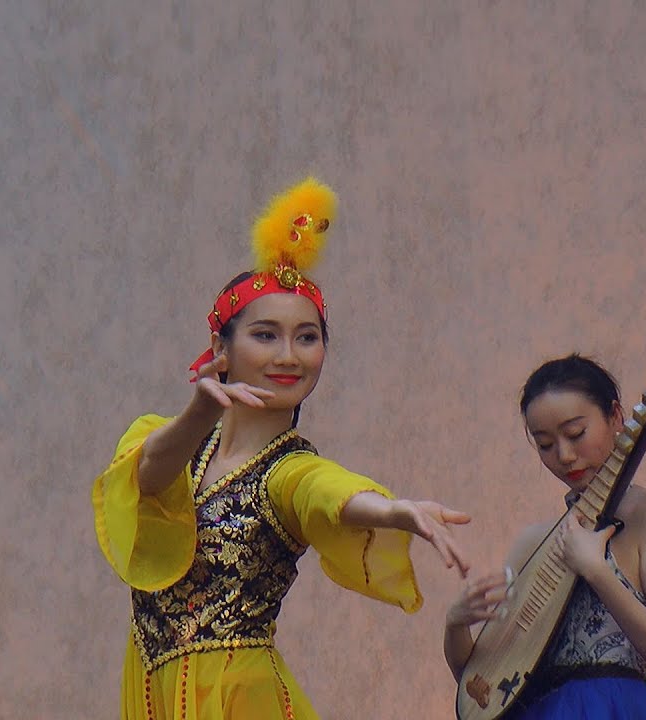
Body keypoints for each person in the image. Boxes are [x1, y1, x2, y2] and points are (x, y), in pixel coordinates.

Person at [92, 177, 472, 719]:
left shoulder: (287, 472)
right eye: (266, 335)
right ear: (221, 347)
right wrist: (202, 410)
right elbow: (148, 477)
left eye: (307, 337)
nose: (289, 355)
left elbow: (326, 493)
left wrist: (393, 509)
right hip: (154, 692)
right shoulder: (170, 441)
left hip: (240, 701)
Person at [443, 354, 646, 719]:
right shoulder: (534, 543)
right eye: (544, 444)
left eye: (576, 434)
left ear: (616, 417)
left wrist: (597, 571)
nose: (564, 455)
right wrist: (456, 624)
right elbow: (484, 691)